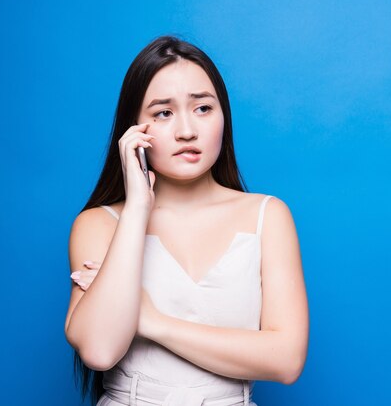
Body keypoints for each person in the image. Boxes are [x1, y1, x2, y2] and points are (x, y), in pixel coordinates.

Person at [64, 35, 309, 406]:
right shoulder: (100, 223)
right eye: (163, 112)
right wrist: (136, 211)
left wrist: (151, 321)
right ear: (134, 131)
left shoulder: (267, 216)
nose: (186, 131)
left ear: (224, 116)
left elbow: (287, 360)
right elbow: (99, 350)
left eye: (203, 108)